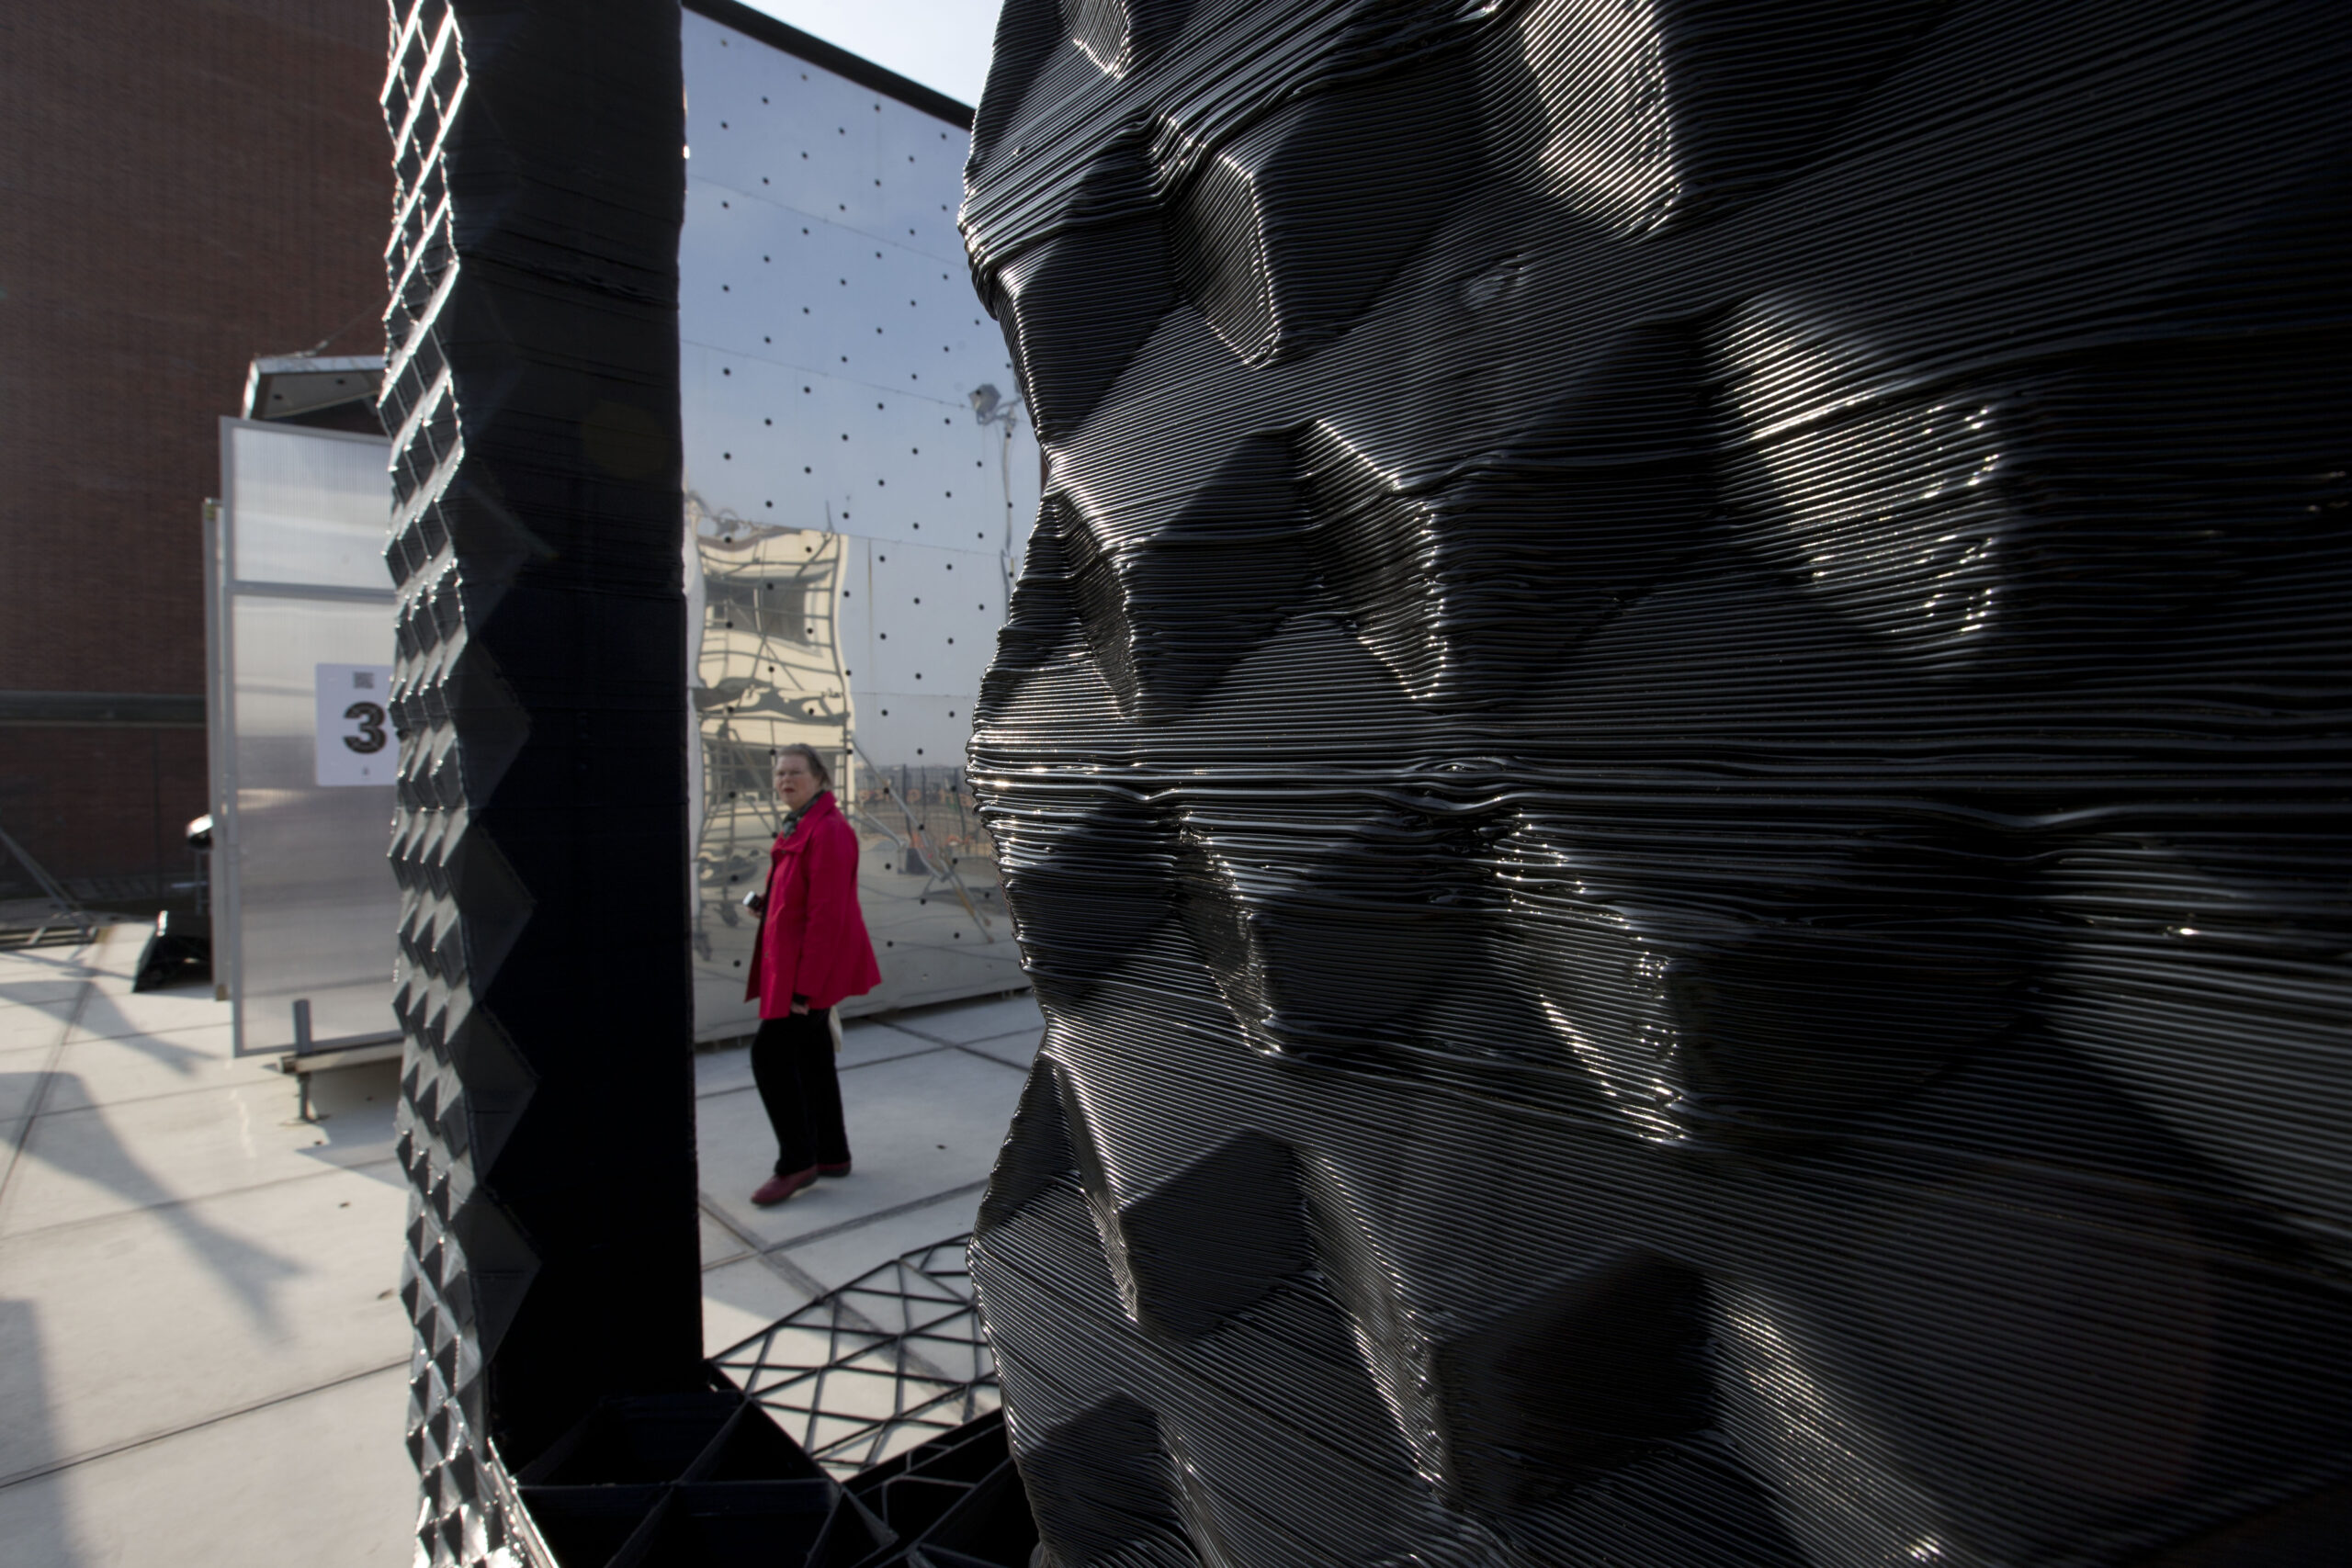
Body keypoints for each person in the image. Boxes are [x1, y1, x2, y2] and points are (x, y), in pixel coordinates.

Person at [742, 744, 881, 1205]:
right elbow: (801, 899)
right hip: (802, 968)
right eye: (779, 772)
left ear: (819, 777)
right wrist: (770, 909)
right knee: (813, 1059)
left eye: (794, 772)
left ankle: (797, 1162)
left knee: (770, 1056)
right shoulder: (800, 826)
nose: (785, 780)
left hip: (809, 975)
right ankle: (831, 1153)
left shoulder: (829, 831)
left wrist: (805, 989)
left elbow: (828, 917)